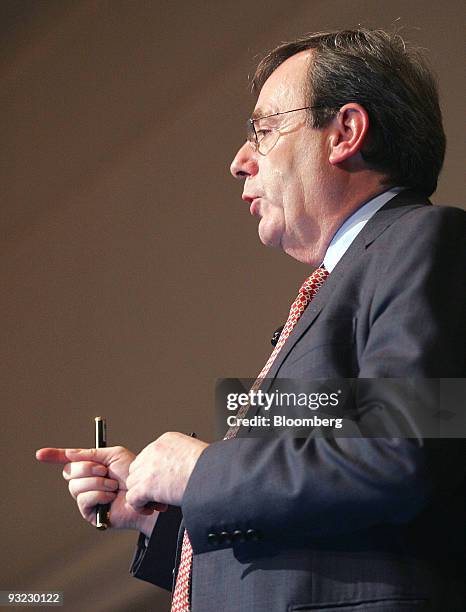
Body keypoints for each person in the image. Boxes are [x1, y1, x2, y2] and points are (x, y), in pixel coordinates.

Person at [37, 28, 465, 611]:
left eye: (263, 130)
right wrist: (156, 517)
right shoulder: (337, 287)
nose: (239, 161)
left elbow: (402, 450)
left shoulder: (422, 240)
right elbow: (313, 542)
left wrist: (202, 470)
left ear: (345, 132)